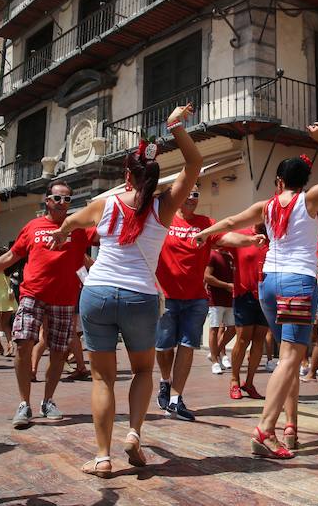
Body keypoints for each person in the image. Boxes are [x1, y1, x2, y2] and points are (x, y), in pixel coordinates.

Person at [43, 104, 200, 477]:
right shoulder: (164, 207)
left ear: (127, 176)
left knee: (102, 378)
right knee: (143, 371)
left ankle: (102, 455)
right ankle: (133, 433)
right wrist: (176, 126)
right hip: (139, 297)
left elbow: (69, 224)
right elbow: (194, 165)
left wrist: (60, 236)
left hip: (97, 293)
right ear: (155, 176)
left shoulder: (104, 204)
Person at [195, 122, 318, 459]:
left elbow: (228, 222)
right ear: (303, 181)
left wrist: (201, 236)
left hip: (268, 284)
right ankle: (266, 429)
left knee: (287, 357)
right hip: (297, 282)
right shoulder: (309, 200)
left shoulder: (265, 206)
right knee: (289, 357)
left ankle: (291, 425)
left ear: (279, 181)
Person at [0, 180, 92, 428]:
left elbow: (108, 232)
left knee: (59, 352)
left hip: (64, 299)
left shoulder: (79, 229)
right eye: (57, 198)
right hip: (32, 294)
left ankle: (48, 400)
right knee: (22, 344)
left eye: (67, 199)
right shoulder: (33, 226)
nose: (62, 203)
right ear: (47, 200)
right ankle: (24, 403)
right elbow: (12, 256)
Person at [154, 184, 260, 421]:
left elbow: (227, 237)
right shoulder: (164, 219)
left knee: (187, 345)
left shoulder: (206, 223)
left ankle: (175, 399)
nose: (191, 198)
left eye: (195, 194)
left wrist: (250, 240)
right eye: (187, 193)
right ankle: (165, 380)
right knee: (163, 347)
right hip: (167, 297)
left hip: (195, 299)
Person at [227, 225, 269, 400]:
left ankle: (249, 382)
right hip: (244, 294)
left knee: (259, 341)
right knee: (243, 339)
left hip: (266, 296)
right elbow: (219, 241)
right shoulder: (242, 236)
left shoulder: (274, 238)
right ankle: (234, 380)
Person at [205, 248, 236, 375]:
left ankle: (215, 352)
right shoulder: (212, 254)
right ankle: (215, 362)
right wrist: (227, 286)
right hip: (216, 300)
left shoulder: (230, 256)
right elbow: (207, 276)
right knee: (214, 329)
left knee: (233, 329)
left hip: (230, 300)